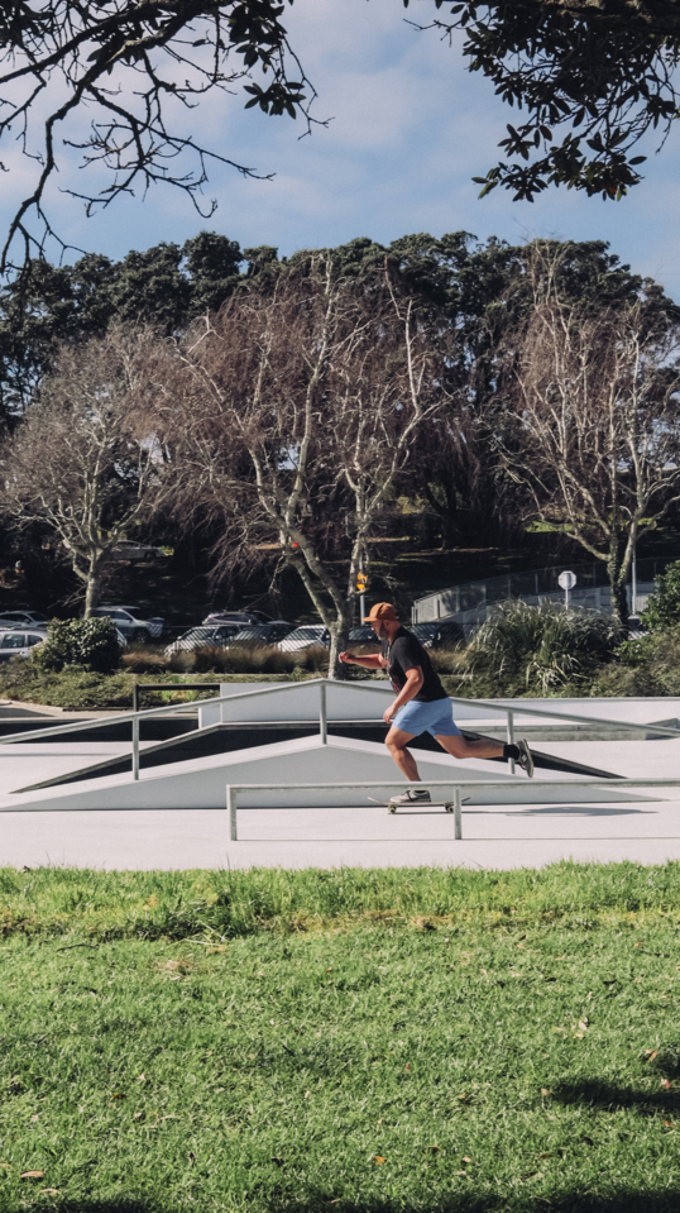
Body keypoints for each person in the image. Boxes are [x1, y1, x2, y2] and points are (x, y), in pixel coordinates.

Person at [339, 602, 533, 805]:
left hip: (425, 702)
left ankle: (418, 791)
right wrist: (354, 659)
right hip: (438, 703)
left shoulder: (403, 644)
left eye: (374, 623)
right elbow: (381, 661)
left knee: (393, 742)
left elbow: (416, 679)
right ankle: (515, 751)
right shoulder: (390, 641)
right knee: (461, 750)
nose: (371, 627)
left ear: (386, 623)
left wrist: (395, 706)